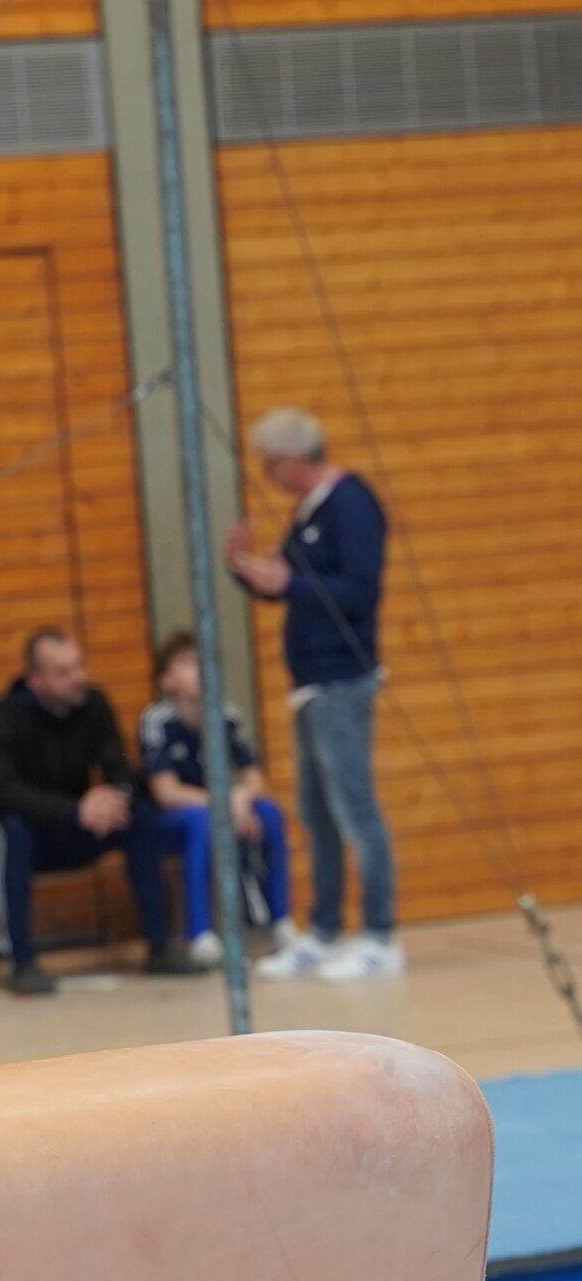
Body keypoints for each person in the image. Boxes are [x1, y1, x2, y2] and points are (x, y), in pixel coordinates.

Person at [227, 407, 400, 982]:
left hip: (342, 679)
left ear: (292, 459)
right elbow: (291, 588)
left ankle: (380, 935)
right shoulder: (308, 511)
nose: (267, 476)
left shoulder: (350, 503)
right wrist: (247, 571)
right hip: (309, 684)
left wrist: (291, 581)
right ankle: (324, 930)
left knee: (355, 809)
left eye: (269, 465)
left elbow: (360, 589)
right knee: (317, 813)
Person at [0, 629, 199, 994]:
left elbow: (120, 768)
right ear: (36, 682)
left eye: (79, 666)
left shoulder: (94, 705)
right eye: (64, 673)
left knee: (138, 817)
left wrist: (115, 799)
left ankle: (161, 946)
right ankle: (22, 962)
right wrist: (76, 810)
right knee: (12, 831)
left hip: (78, 825)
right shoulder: (4, 716)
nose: (79, 678)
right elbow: (3, 792)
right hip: (24, 834)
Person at [139, 632, 298, 966]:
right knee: (202, 822)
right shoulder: (157, 720)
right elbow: (166, 793)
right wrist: (224, 804)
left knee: (269, 813)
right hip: (174, 820)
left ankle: (280, 922)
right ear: (167, 680)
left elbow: (255, 778)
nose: (198, 669)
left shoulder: (227, 716)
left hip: (219, 809)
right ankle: (200, 935)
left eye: (203, 662)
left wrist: (242, 798)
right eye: (186, 664)